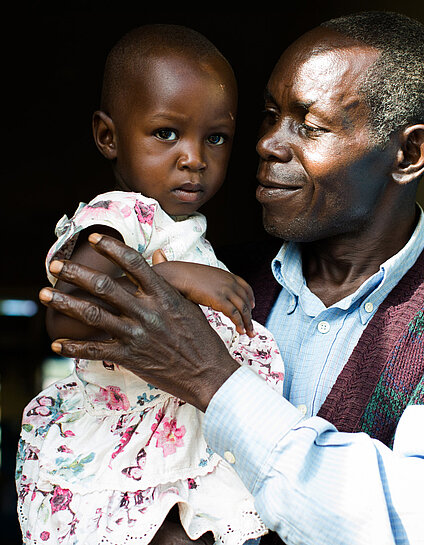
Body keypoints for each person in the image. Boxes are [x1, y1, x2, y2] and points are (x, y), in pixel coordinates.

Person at [35, 11, 424, 545]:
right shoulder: (217, 275)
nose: (266, 145)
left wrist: (213, 381)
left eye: (309, 125)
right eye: (270, 116)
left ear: (408, 154)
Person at [15, 24, 285, 545]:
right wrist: (175, 279)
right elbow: (65, 315)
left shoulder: (182, 229)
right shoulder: (117, 217)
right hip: (123, 442)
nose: (194, 158)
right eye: (167, 133)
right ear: (108, 136)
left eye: (216, 138)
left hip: (177, 436)